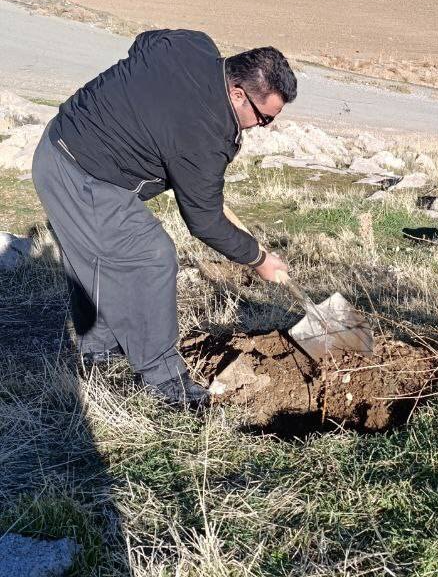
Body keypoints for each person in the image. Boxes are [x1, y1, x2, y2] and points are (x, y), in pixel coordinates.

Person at [32, 30, 297, 409]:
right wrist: (258, 259)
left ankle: (99, 353)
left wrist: (146, 110)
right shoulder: (204, 136)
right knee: (152, 257)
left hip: (61, 141)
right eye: (264, 117)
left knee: (96, 256)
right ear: (238, 93)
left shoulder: (194, 45)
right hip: (81, 172)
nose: (263, 126)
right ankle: (166, 380)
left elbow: (145, 43)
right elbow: (204, 221)